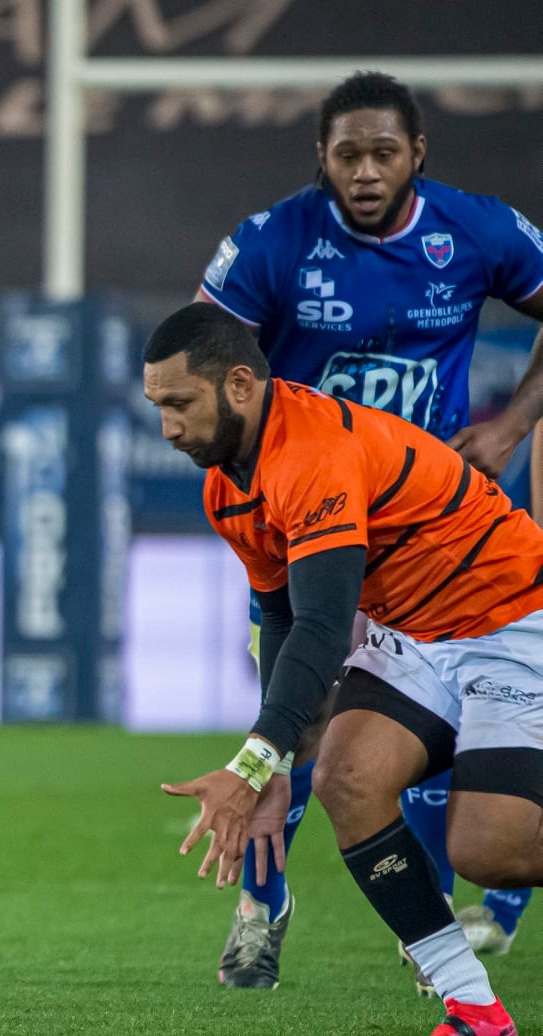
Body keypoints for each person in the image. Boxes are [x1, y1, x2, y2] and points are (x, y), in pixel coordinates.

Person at [194, 70, 543, 988]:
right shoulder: (273, 244)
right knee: (298, 719)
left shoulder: (472, 231)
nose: (365, 169)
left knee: (415, 747)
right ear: (321, 158)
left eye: (384, 151)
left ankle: (448, 921)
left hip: (430, 536)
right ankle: (261, 908)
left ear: (417, 155)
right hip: (311, 523)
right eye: (347, 153)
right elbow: (206, 360)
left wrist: (512, 425)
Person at [147, 302, 541, 1036]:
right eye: (157, 407)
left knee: (488, 850)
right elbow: (285, 620)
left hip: (511, 616)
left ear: (238, 384)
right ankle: (477, 1017)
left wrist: (251, 761)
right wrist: (282, 760)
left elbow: (328, 629)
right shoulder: (227, 486)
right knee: (348, 778)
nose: (167, 428)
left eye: (178, 405)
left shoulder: (313, 452)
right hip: (417, 633)